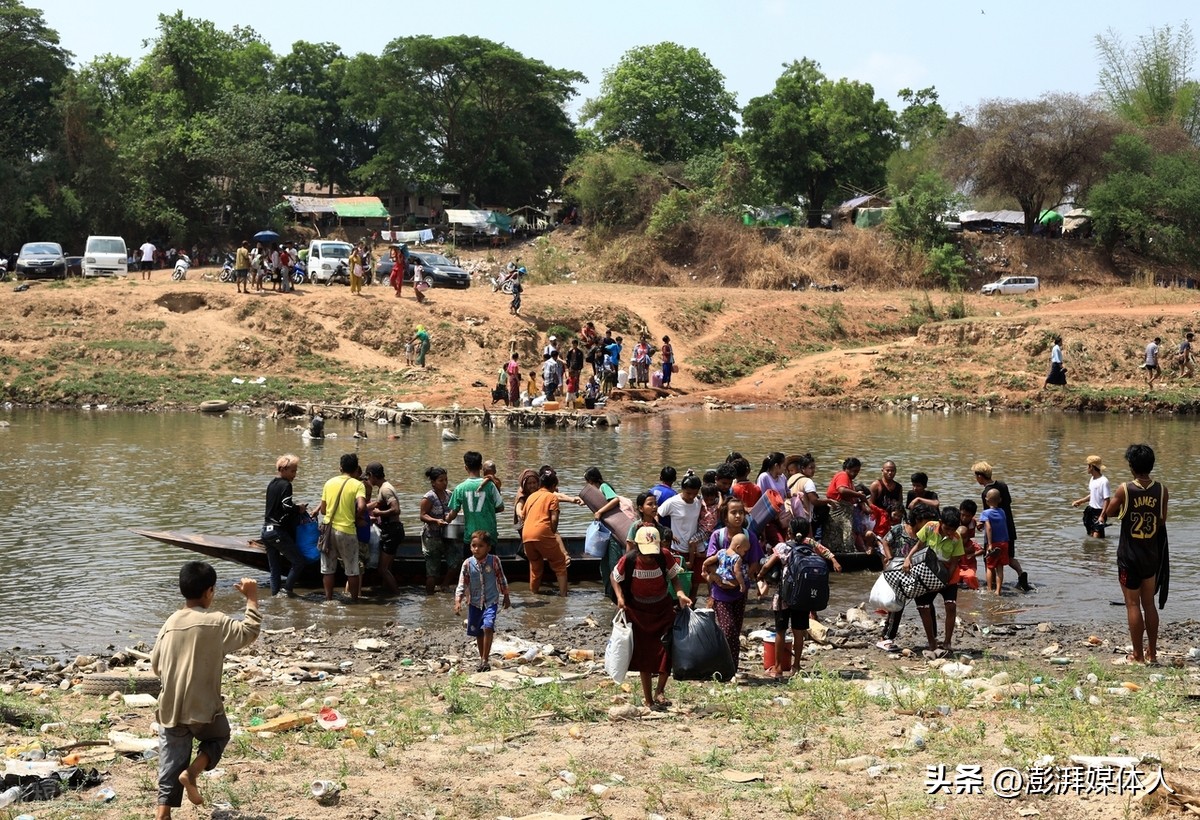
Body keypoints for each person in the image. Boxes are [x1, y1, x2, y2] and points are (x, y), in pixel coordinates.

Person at [151, 562, 260, 819]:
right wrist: (252, 598)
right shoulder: (216, 622)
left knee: (169, 763)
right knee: (218, 737)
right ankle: (192, 773)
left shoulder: (170, 622)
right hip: (203, 710)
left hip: (170, 708)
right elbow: (249, 631)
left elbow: (156, 666)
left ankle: (162, 814)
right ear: (210, 592)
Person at [611, 526, 691, 710]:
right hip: (638, 612)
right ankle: (648, 699)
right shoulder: (629, 559)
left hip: (662, 608)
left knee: (667, 650)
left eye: (652, 554)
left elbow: (674, 577)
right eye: (646, 555)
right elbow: (615, 577)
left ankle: (660, 691)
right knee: (644, 656)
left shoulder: (664, 556)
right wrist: (620, 597)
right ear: (638, 548)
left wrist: (679, 593)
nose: (650, 558)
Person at [1103, 443, 1169, 665]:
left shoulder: (1125, 489)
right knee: (1148, 603)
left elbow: (1111, 512)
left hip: (1129, 556)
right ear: (1151, 465)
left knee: (1132, 604)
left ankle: (1138, 656)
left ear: (1131, 466)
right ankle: (1153, 653)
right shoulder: (1161, 490)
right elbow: (1161, 521)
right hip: (1151, 555)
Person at [760, 519, 841, 677]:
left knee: (780, 631)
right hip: (803, 597)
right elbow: (825, 551)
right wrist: (834, 560)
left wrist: (759, 576)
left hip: (784, 596)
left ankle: (777, 668)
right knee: (799, 632)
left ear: (789, 531)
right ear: (807, 533)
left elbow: (767, 566)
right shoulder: (810, 545)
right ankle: (796, 667)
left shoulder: (783, 547)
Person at [704, 497, 763, 674]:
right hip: (720, 591)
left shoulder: (749, 536)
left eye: (741, 512)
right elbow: (710, 562)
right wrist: (716, 579)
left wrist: (745, 578)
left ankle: (732, 668)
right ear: (725, 515)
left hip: (739, 591)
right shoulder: (718, 536)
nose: (738, 516)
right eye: (733, 512)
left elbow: (754, 561)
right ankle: (723, 667)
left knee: (735, 630)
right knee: (727, 628)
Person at [877, 503, 938, 652]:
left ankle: (933, 639)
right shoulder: (900, 529)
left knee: (926, 605)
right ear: (918, 519)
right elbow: (885, 541)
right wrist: (889, 558)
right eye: (927, 520)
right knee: (897, 606)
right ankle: (886, 638)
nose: (930, 524)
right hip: (899, 572)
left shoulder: (927, 533)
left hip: (918, 573)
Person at [906, 506, 964, 657]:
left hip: (947, 575)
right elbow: (919, 545)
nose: (950, 532)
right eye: (947, 528)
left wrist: (944, 582)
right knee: (923, 606)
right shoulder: (930, 527)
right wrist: (908, 558)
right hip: (927, 571)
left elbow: (953, 562)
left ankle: (947, 642)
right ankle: (932, 642)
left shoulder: (957, 538)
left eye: (953, 529)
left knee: (951, 606)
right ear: (940, 522)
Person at [454, 530, 511, 672]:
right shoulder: (468, 563)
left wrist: (506, 595)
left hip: (491, 601)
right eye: (473, 546)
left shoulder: (494, 561)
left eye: (480, 546)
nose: (476, 549)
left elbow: (501, 578)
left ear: (488, 547)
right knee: (479, 632)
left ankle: (485, 658)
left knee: (488, 626)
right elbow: (462, 583)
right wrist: (458, 601)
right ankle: (482, 659)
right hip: (474, 603)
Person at [314, 453, 367, 602]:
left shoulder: (329, 483)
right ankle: (354, 601)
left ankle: (329, 600)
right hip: (347, 531)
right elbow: (362, 506)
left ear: (340, 468)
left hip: (328, 531)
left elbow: (323, 510)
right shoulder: (358, 484)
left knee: (328, 570)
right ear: (356, 468)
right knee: (352, 570)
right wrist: (355, 517)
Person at [972, 461, 1029, 591]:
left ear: (980, 476)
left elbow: (989, 514)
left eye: (976, 476)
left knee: (990, 559)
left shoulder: (986, 493)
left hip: (995, 533)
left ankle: (990, 585)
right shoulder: (1003, 485)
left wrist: (980, 524)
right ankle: (1021, 574)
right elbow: (1007, 503)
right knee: (1008, 557)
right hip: (1008, 527)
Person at [262, 454, 308, 597]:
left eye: (295, 471)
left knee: (275, 569)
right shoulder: (286, 485)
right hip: (277, 532)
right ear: (283, 469)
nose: (295, 474)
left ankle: (275, 597)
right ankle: (287, 591)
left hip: (265, 531)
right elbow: (286, 506)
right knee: (299, 562)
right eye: (293, 471)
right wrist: (299, 508)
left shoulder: (272, 483)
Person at [521, 466, 569, 596]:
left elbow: (524, 517)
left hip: (526, 536)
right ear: (553, 485)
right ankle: (564, 597)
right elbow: (554, 520)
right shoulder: (552, 497)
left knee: (536, 568)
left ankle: (534, 595)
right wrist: (551, 533)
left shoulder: (531, 497)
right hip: (542, 533)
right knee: (560, 564)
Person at [448, 451, 504, 554]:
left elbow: (453, 514)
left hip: (471, 537)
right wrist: (487, 510)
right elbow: (500, 507)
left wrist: (445, 520)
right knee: (489, 567)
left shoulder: (460, 488)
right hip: (489, 535)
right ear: (481, 466)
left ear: (465, 467)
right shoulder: (490, 485)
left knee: (470, 567)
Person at [657, 473, 703, 593]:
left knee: (695, 579)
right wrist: (667, 533)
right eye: (688, 493)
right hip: (677, 548)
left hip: (693, 548)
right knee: (677, 579)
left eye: (695, 493)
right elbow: (656, 515)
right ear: (682, 489)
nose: (691, 496)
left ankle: (691, 605)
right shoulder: (672, 502)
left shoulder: (698, 502)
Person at [364, 462, 401, 596]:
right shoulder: (383, 488)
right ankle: (388, 594)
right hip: (392, 530)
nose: (367, 481)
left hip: (392, 530)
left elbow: (396, 509)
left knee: (382, 569)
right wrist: (362, 508)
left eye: (368, 477)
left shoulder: (385, 489)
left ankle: (397, 596)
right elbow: (378, 503)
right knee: (388, 567)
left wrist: (379, 513)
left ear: (372, 475)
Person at [418, 467, 456, 595]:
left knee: (455, 562)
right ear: (433, 482)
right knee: (432, 572)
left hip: (447, 535)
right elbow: (422, 515)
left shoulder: (449, 494)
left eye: (446, 480)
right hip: (431, 537)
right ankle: (429, 597)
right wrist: (435, 521)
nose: (445, 483)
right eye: (441, 480)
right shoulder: (429, 497)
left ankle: (444, 585)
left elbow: (452, 511)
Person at [824, 457, 865, 553]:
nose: (855, 474)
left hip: (844, 510)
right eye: (854, 471)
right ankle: (847, 552)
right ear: (847, 468)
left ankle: (841, 551)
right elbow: (841, 490)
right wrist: (858, 494)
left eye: (857, 472)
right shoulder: (843, 475)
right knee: (845, 532)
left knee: (839, 532)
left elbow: (850, 496)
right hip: (839, 509)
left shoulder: (849, 480)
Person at [1072, 455, 1111, 538]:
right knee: (1090, 535)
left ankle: (1100, 550)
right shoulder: (1092, 479)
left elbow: (1107, 500)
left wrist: (1102, 516)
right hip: (1091, 510)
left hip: (1099, 512)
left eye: (1088, 465)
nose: (1086, 468)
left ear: (1091, 467)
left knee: (1097, 538)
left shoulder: (1104, 481)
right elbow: (1092, 495)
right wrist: (1080, 501)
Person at [979, 489, 1009, 595]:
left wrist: (990, 544)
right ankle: (998, 590)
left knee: (990, 567)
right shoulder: (1002, 511)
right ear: (1000, 500)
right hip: (1004, 543)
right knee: (1000, 567)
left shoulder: (985, 513)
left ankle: (989, 589)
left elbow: (989, 528)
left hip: (994, 543)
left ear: (986, 500)